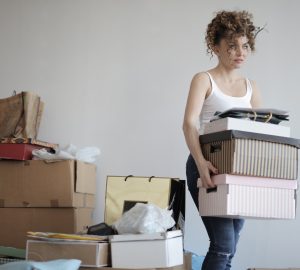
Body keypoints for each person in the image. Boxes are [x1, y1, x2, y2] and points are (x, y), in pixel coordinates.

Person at [182, 10, 262, 270]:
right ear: (215, 47)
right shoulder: (203, 79)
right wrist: (201, 163)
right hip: (207, 164)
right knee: (223, 244)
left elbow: (258, 134)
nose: (240, 52)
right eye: (232, 46)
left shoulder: (251, 87)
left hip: (238, 170)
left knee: (231, 245)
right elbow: (189, 124)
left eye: (245, 46)